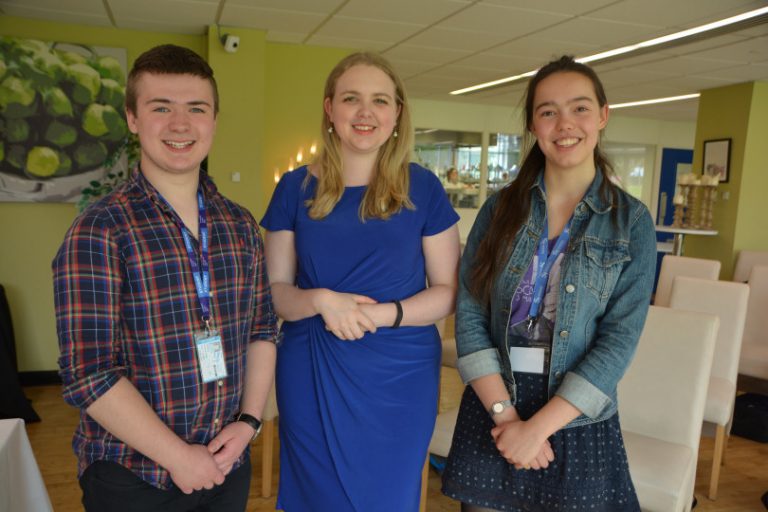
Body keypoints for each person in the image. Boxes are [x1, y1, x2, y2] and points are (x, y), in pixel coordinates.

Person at [52, 44, 278, 512]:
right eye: (161, 108)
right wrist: (177, 456)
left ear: (214, 120)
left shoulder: (240, 226)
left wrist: (248, 422)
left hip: (226, 462)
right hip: (134, 476)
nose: (180, 124)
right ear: (133, 118)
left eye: (196, 108)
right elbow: (88, 374)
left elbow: (262, 329)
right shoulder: (100, 229)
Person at [441, 55, 656, 512]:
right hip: (496, 407)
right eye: (547, 111)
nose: (565, 124)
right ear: (533, 125)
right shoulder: (499, 211)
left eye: (579, 108)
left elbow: (619, 341)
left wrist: (537, 429)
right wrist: (507, 417)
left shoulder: (630, 222)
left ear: (602, 115)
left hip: (577, 418)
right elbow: (471, 315)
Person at [261, 52, 460, 511]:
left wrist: (382, 314)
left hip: (400, 374)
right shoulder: (293, 189)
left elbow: (447, 292)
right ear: (330, 109)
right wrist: (320, 300)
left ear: (397, 113)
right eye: (352, 99)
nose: (365, 112)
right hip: (312, 365)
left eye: (380, 100)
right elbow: (276, 293)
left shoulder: (424, 188)